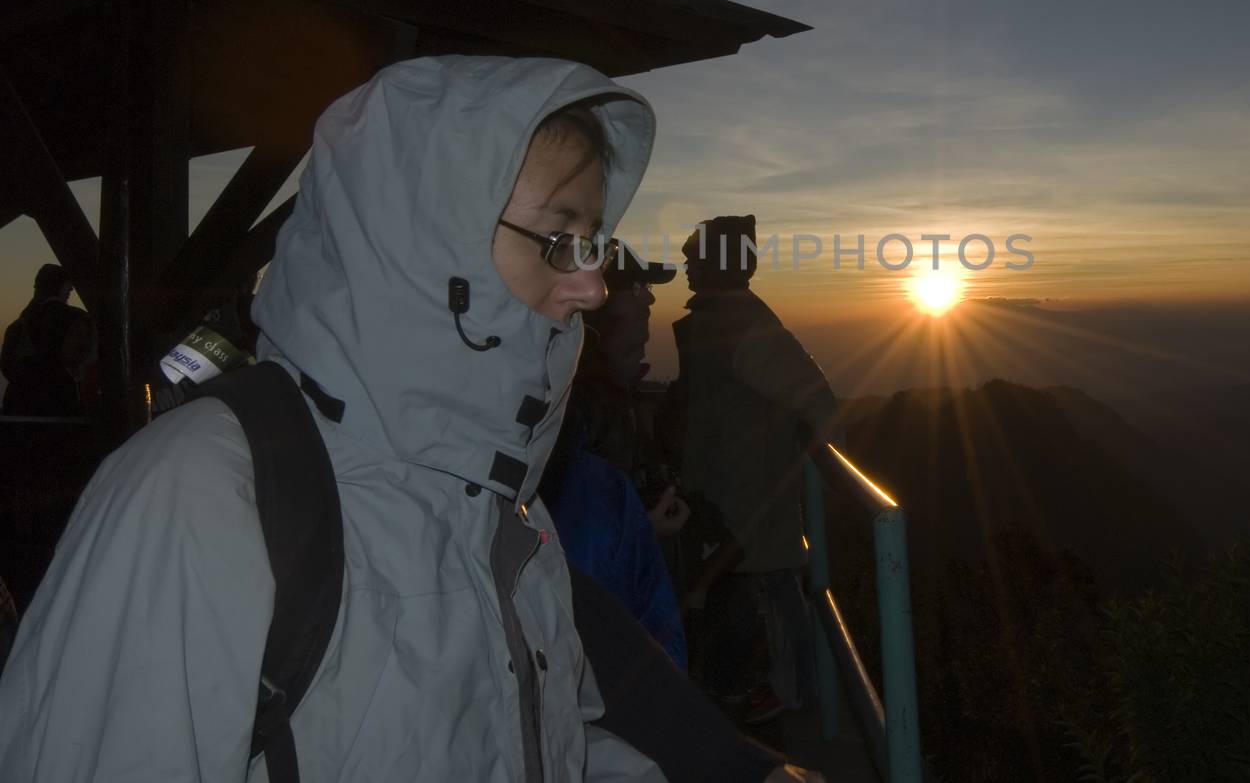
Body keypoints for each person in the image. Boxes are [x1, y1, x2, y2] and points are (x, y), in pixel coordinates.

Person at [0, 57, 824, 782]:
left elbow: (533, 747)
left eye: (593, 243)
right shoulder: (204, 494)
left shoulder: (503, 506)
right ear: (426, 244)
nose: (591, 286)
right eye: (559, 238)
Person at [673, 216, 839, 724]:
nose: (685, 265)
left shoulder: (742, 327)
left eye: (694, 257)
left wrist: (821, 455)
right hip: (731, 515)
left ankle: (777, 706)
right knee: (744, 624)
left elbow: (820, 408)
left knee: (759, 625)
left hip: (747, 520)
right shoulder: (728, 322)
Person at [543, 247, 688, 667]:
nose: (650, 300)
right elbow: (581, 548)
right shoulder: (582, 408)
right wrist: (642, 529)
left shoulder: (603, 395)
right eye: (637, 287)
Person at [1, 263, 89, 417]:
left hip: (18, 407)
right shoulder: (74, 319)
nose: (71, 290)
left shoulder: (16, 327)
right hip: (58, 406)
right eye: (68, 287)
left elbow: (6, 367)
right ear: (59, 286)